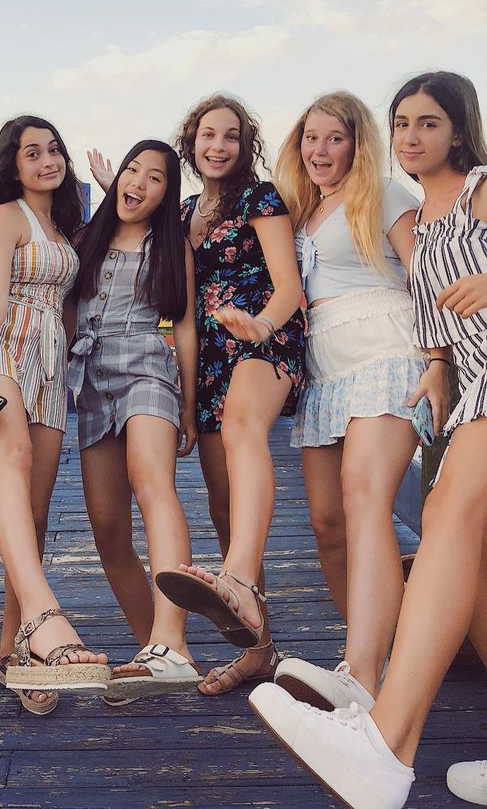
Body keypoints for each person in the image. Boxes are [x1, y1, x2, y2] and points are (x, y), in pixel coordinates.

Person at [250, 71, 487, 809]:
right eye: (403, 123)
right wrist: (440, 365)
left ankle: (383, 744)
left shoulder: (477, 189)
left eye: (427, 123)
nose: (412, 137)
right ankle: (382, 736)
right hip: (468, 378)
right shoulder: (433, 214)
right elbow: (433, 298)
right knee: (467, 566)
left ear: (458, 130)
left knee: (444, 521)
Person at [269, 92, 449, 712]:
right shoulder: (302, 210)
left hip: (385, 346)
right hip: (323, 365)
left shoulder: (387, 194)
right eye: (310, 138)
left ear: (356, 143)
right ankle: (378, 657)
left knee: (365, 498)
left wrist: (437, 361)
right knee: (327, 525)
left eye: (334, 139)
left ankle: (363, 674)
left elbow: (426, 278)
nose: (320, 151)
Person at [0, 115, 110, 702]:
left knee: (36, 510)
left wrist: (112, 189)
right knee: (9, 455)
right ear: (11, 165)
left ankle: (16, 648)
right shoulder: (6, 215)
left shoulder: (62, 225)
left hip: (48, 360)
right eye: (31, 153)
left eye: (53, 150)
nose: (47, 161)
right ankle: (44, 618)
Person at [151, 94, 306, 695]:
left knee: (244, 429)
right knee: (222, 502)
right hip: (213, 356)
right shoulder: (185, 210)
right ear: (191, 142)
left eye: (232, 136)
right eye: (208, 135)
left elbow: (288, 283)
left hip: (266, 334)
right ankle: (259, 648)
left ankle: (237, 575)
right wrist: (187, 403)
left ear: (246, 146)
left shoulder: (261, 198)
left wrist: (263, 325)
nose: (219, 146)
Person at [70, 140, 199, 702]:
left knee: (153, 484)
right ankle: (151, 648)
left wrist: (189, 403)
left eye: (156, 178)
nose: (139, 183)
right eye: (131, 171)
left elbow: (186, 327)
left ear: (169, 194)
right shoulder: (87, 239)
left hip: (147, 365)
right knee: (108, 528)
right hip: (88, 377)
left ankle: (174, 641)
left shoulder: (171, 246)